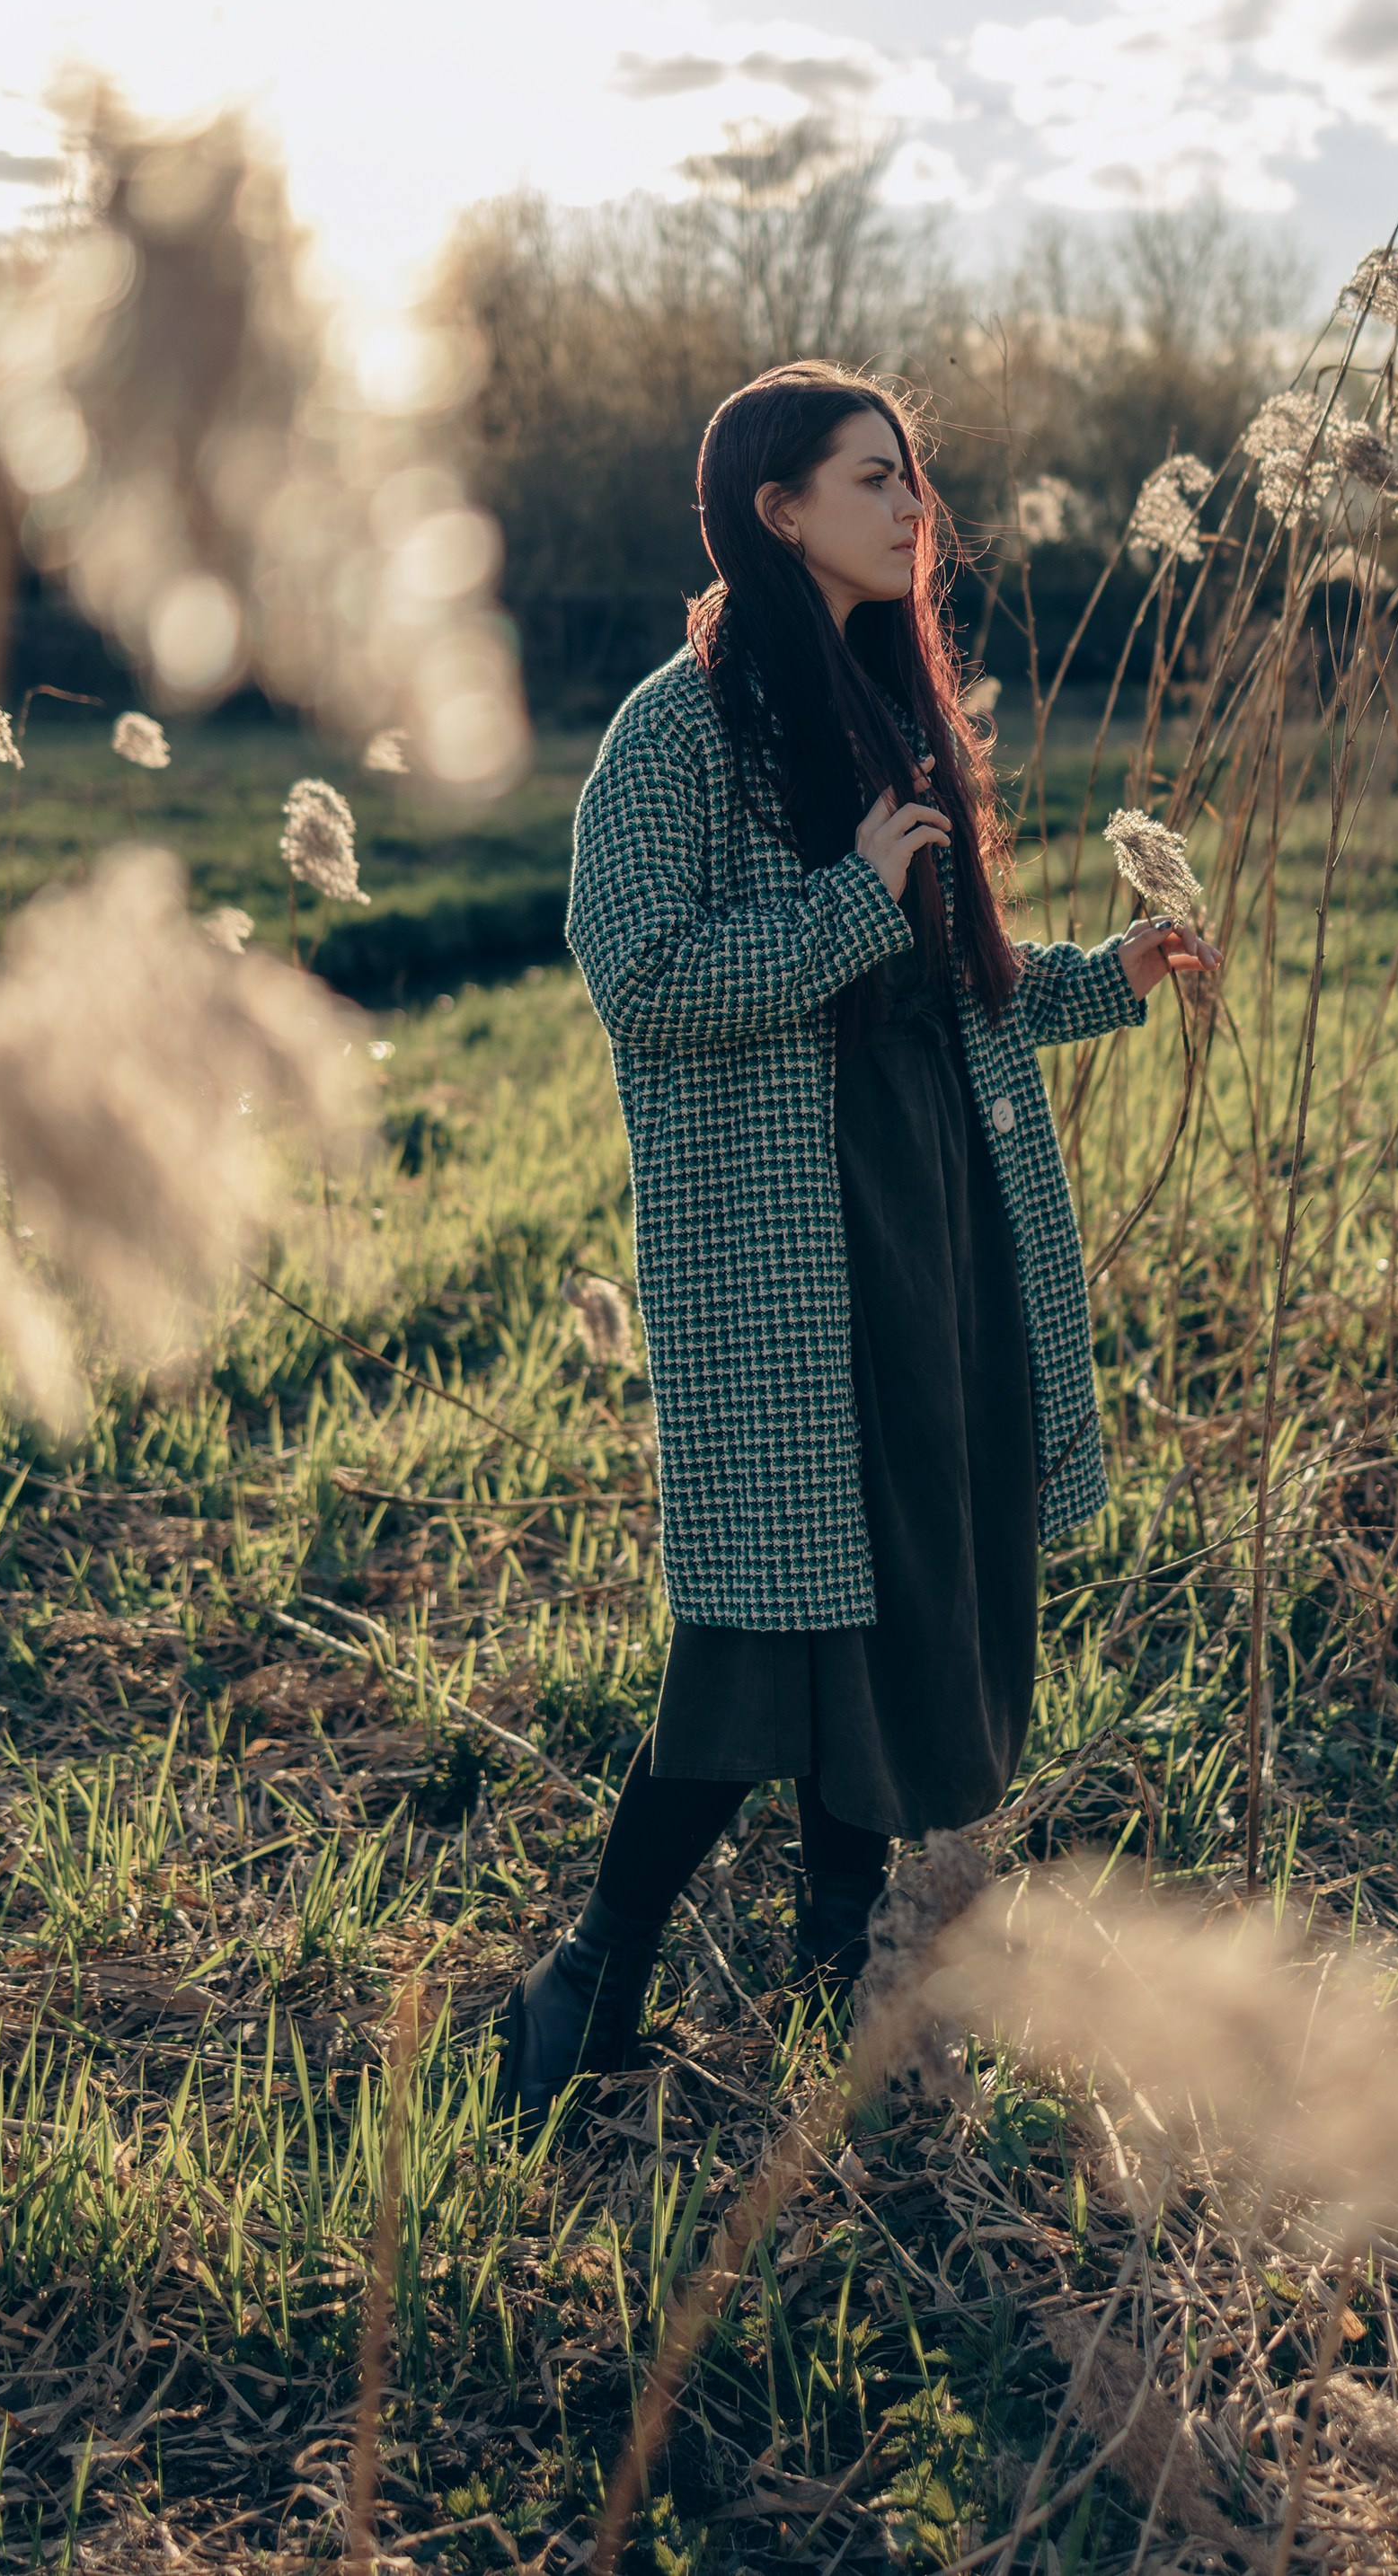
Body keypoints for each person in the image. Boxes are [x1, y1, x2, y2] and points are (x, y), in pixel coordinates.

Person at [497, 360, 1216, 2119]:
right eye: (871, 477)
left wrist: (1100, 977)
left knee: (901, 1596)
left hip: (937, 1221)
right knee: (758, 1639)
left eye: (914, 478)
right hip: (783, 1245)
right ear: (775, 506)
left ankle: (831, 1972)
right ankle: (585, 1985)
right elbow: (644, 984)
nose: (913, 508)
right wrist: (842, 902)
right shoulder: (675, 730)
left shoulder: (898, 703)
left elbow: (958, 985)